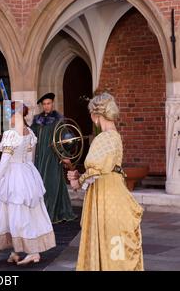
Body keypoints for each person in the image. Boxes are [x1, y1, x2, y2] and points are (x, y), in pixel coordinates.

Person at [67, 92, 144, 271]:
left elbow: (96, 169)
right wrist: (80, 177)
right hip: (115, 191)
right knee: (114, 241)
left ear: (96, 116)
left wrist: (79, 182)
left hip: (106, 195)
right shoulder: (115, 135)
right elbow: (102, 169)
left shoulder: (104, 137)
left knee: (109, 240)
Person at [0, 101, 56, 265]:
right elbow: (29, 158)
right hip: (26, 173)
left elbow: (4, 161)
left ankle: (33, 252)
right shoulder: (29, 132)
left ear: (16, 115)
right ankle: (17, 251)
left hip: (14, 175)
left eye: (8, 114)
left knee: (18, 214)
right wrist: (30, 178)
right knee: (17, 213)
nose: (7, 118)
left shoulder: (12, 134)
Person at [30, 92, 77, 223]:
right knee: (41, 183)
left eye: (48, 103)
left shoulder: (58, 120)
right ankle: (43, 212)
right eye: (44, 104)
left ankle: (51, 212)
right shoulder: (37, 120)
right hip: (40, 156)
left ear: (52, 104)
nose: (46, 106)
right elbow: (30, 135)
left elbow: (64, 138)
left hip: (53, 156)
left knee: (52, 183)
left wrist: (64, 155)